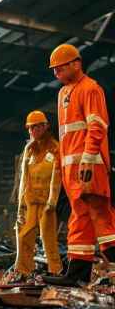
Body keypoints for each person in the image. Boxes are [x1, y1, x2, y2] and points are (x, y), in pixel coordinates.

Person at [42, 44, 115, 286]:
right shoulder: (63, 94)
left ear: (76, 63)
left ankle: (78, 274)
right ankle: (76, 276)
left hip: (89, 167)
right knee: (81, 219)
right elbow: (66, 136)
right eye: (54, 70)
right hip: (71, 171)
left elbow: (98, 126)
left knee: (101, 219)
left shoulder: (91, 89)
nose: (56, 73)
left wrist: (87, 157)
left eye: (60, 68)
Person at [13, 110, 62, 278]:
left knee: (48, 239)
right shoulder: (29, 150)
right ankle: (23, 271)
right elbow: (23, 180)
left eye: (35, 127)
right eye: (29, 128)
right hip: (30, 202)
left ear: (45, 126)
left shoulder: (56, 148)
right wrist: (20, 205)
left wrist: (52, 202)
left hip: (46, 204)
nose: (31, 131)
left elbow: (57, 177)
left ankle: (55, 271)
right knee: (24, 235)